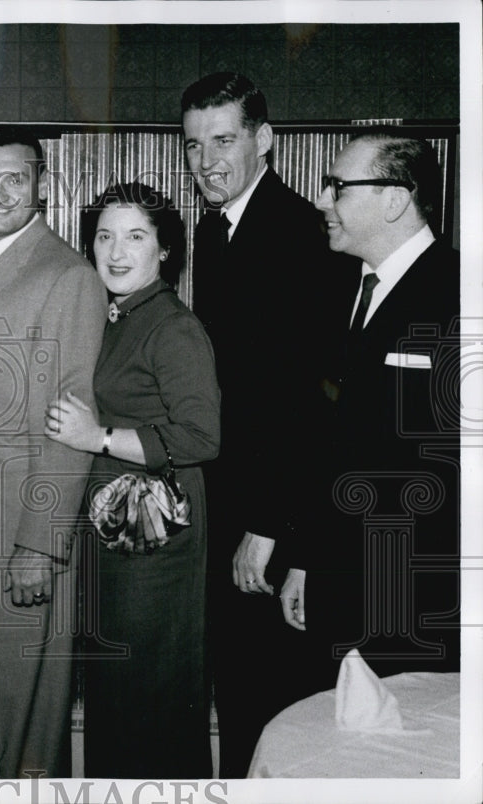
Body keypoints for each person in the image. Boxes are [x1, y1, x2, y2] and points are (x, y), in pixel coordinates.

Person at [0, 124, 106, 779]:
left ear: (42, 184)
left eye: (14, 178)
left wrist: (39, 542)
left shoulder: (66, 275)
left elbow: (71, 421)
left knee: (23, 733)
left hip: (18, 537)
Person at [181, 72, 334, 776]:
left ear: (264, 140)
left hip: (272, 515)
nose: (208, 161)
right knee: (241, 695)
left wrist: (273, 525)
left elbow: (308, 397)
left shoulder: (297, 230)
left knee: (277, 706)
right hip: (234, 500)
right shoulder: (216, 229)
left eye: (224, 140)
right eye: (194, 145)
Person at [45, 182, 220, 779]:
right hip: (116, 532)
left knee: (148, 689)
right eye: (104, 236)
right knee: (119, 688)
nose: (117, 251)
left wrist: (95, 438)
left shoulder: (173, 326)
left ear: (166, 248)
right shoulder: (113, 315)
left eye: (137, 236)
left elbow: (201, 437)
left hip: (156, 535)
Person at [281, 130, 460, 683]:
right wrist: (306, 559)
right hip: (337, 584)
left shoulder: (458, 294)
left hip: (415, 596)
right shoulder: (338, 290)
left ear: (395, 198)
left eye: (338, 187)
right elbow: (326, 443)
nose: (322, 199)